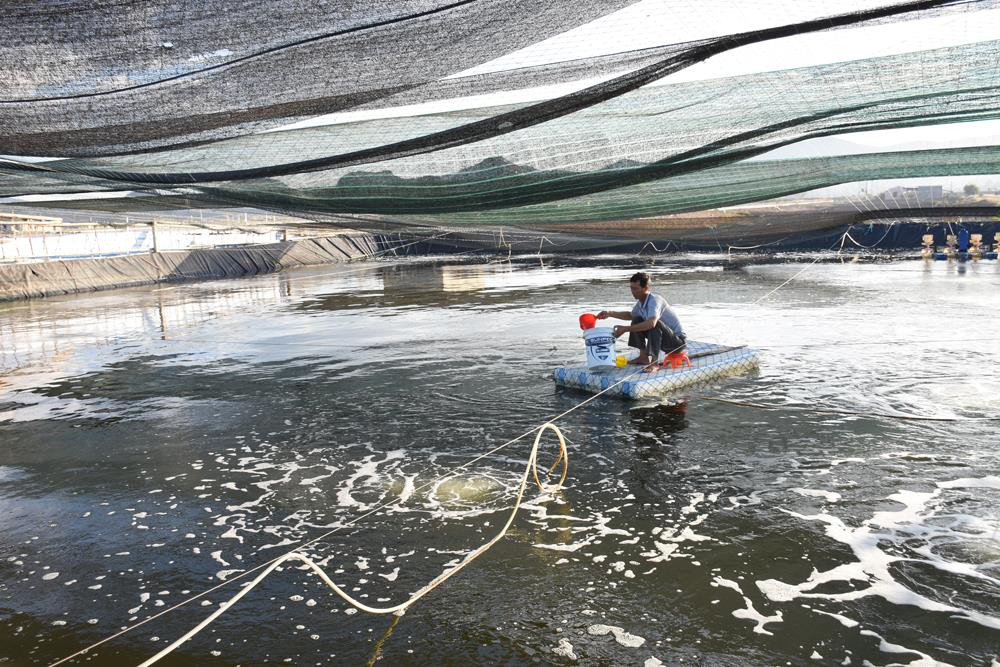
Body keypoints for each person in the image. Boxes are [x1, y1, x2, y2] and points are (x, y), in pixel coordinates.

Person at [597, 272, 686, 368]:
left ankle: (654, 363)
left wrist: (625, 329)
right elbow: (630, 315)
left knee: (655, 324)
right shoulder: (640, 303)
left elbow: (652, 323)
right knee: (637, 320)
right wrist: (609, 313)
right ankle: (643, 357)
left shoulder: (655, 301)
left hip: (677, 344)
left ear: (646, 288)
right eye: (631, 288)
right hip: (663, 341)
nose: (633, 292)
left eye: (636, 289)